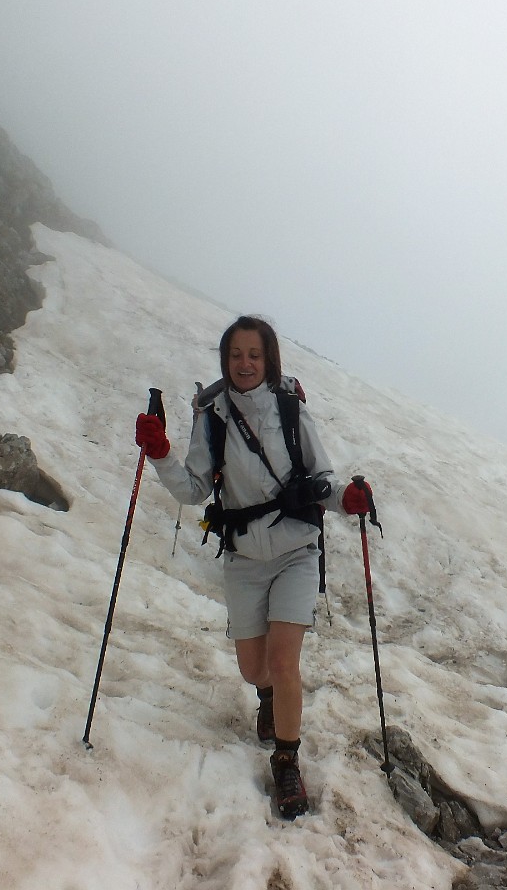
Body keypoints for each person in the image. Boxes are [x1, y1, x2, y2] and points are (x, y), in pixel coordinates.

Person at [134, 315, 375, 820]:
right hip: (244, 558)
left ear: (269, 360)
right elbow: (195, 490)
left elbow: (321, 478)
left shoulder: (290, 409)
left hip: (296, 552)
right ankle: (265, 695)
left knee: (286, 662)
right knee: (254, 668)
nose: (245, 363)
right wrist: (160, 454)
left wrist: (347, 502)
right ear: (225, 359)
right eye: (236, 354)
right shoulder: (213, 417)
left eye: (254, 355)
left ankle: (286, 762)